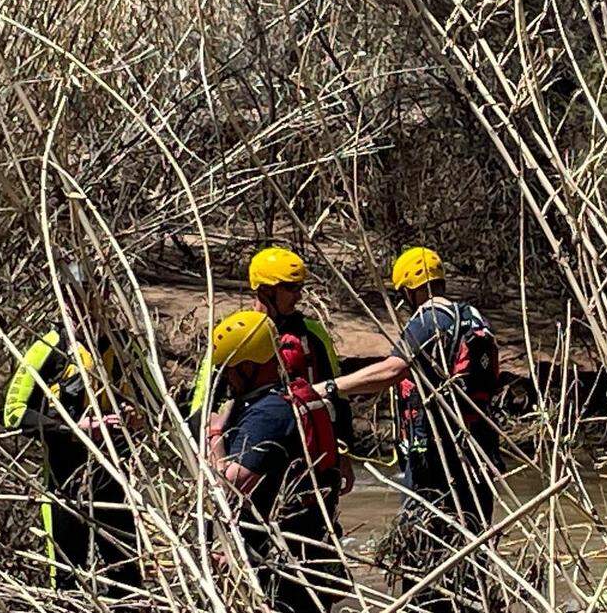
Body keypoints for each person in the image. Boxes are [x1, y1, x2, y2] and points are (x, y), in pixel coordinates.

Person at [312, 247, 503, 610]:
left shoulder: (428, 319)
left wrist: (330, 387)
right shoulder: (474, 317)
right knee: (468, 554)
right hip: (477, 455)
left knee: (424, 559)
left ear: (409, 290)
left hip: (435, 461)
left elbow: (392, 370)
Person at [2, 263, 144, 599]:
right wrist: (74, 428)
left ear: (105, 297)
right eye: (73, 297)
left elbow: (156, 404)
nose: (82, 306)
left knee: (127, 576)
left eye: (90, 296)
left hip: (114, 480)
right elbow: (13, 413)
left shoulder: (123, 345)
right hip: (64, 482)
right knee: (65, 580)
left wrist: (135, 418)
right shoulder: (46, 348)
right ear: (63, 299)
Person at [206, 310, 346, 613]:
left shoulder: (268, 415)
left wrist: (215, 435)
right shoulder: (291, 397)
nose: (227, 378)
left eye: (229, 370)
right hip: (307, 544)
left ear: (247, 367)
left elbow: (230, 484)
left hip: (280, 557)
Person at [191, 247, 355, 494]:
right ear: (265, 291)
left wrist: (342, 451)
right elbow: (201, 405)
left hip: (306, 456)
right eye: (291, 288)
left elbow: (337, 399)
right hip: (250, 452)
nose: (299, 296)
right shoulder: (234, 334)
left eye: (300, 287)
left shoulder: (312, 334)